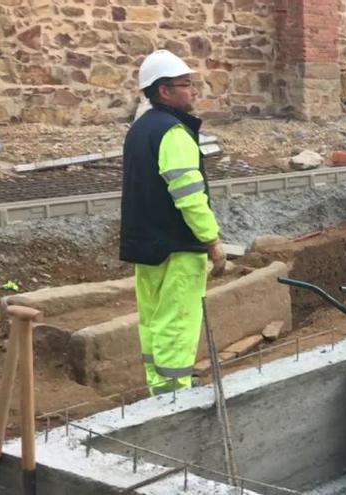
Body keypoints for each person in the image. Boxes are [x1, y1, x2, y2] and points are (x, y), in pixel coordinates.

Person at [120, 49, 226, 395]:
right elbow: (190, 194)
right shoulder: (174, 132)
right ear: (163, 91)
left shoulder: (139, 130)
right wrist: (211, 239)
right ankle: (174, 392)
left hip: (146, 245)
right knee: (177, 322)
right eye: (186, 85)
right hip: (178, 247)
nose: (193, 91)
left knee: (152, 320)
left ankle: (158, 387)